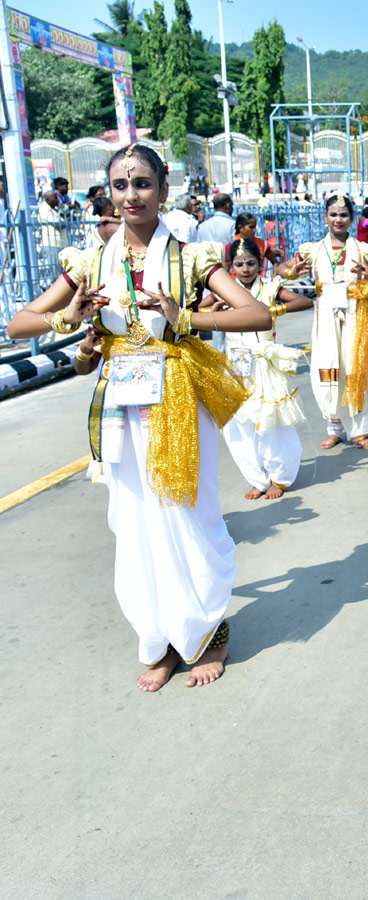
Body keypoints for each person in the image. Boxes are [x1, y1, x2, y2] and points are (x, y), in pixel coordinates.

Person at [5, 143, 271, 691]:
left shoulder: (190, 256)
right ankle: (160, 639)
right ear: (110, 193)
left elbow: (258, 313)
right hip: (120, 406)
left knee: (186, 514)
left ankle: (204, 632)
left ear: (164, 190)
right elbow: (19, 324)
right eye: (122, 186)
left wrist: (184, 315)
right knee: (133, 524)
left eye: (143, 184)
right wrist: (69, 318)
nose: (132, 195)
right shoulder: (87, 262)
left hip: (176, 396)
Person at [281, 195, 368, 449]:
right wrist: (293, 271)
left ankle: (362, 429)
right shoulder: (312, 250)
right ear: (325, 218)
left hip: (357, 316)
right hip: (326, 319)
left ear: (351, 219)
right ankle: (335, 428)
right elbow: (283, 269)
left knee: (356, 368)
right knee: (328, 369)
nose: (338, 219)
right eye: (333, 214)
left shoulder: (362, 249)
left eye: (343, 215)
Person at [212, 238, 311, 500]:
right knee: (237, 424)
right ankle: (258, 478)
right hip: (237, 364)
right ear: (230, 266)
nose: (245, 269)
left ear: (261, 264)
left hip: (265, 364)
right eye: (239, 264)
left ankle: (280, 476)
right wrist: (214, 312)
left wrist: (271, 310)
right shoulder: (226, 290)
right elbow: (198, 310)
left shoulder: (269, 287)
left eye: (251, 263)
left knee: (270, 421)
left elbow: (304, 302)